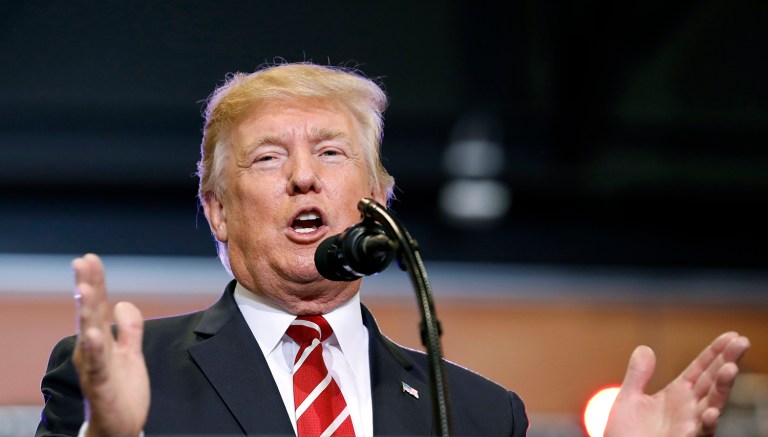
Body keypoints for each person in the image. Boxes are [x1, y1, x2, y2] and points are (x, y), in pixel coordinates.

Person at [36, 62, 750, 437]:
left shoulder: (476, 414)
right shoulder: (119, 377)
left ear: (378, 194)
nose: (305, 175)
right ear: (216, 211)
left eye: (331, 151)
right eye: (267, 159)